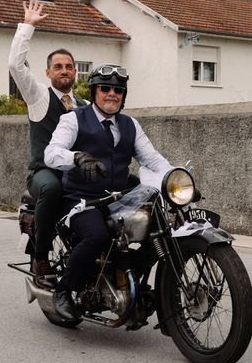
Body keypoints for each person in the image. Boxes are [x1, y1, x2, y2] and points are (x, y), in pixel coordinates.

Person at [44, 64, 172, 320]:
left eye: (118, 90)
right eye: (105, 88)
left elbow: (152, 159)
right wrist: (78, 157)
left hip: (118, 199)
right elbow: (51, 153)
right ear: (94, 92)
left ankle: (127, 278)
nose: (111, 94)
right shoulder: (73, 119)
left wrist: (174, 177)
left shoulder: (130, 125)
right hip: (82, 200)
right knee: (97, 236)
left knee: (160, 230)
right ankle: (64, 290)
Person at [8, 0, 88, 287]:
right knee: (53, 188)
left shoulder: (84, 105)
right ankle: (41, 257)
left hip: (76, 170)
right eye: (58, 66)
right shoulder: (39, 97)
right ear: (48, 73)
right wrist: (28, 26)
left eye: (69, 66)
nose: (64, 70)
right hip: (44, 172)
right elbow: (15, 66)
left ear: (75, 72)